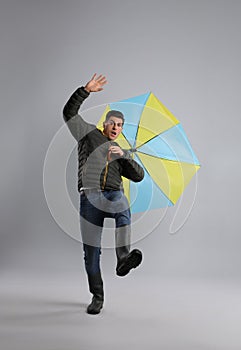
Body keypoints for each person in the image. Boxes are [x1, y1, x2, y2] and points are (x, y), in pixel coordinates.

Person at [63, 74, 144, 315]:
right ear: (104, 124)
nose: (116, 128)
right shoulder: (89, 135)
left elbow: (138, 176)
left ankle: (122, 258)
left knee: (122, 205)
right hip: (89, 197)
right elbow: (69, 113)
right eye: (113, 124)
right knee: (91, 252)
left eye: (120, 126)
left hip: (112, 195)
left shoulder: (121, 150)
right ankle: (97, 296)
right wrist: (85, 90)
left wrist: (124, 157)